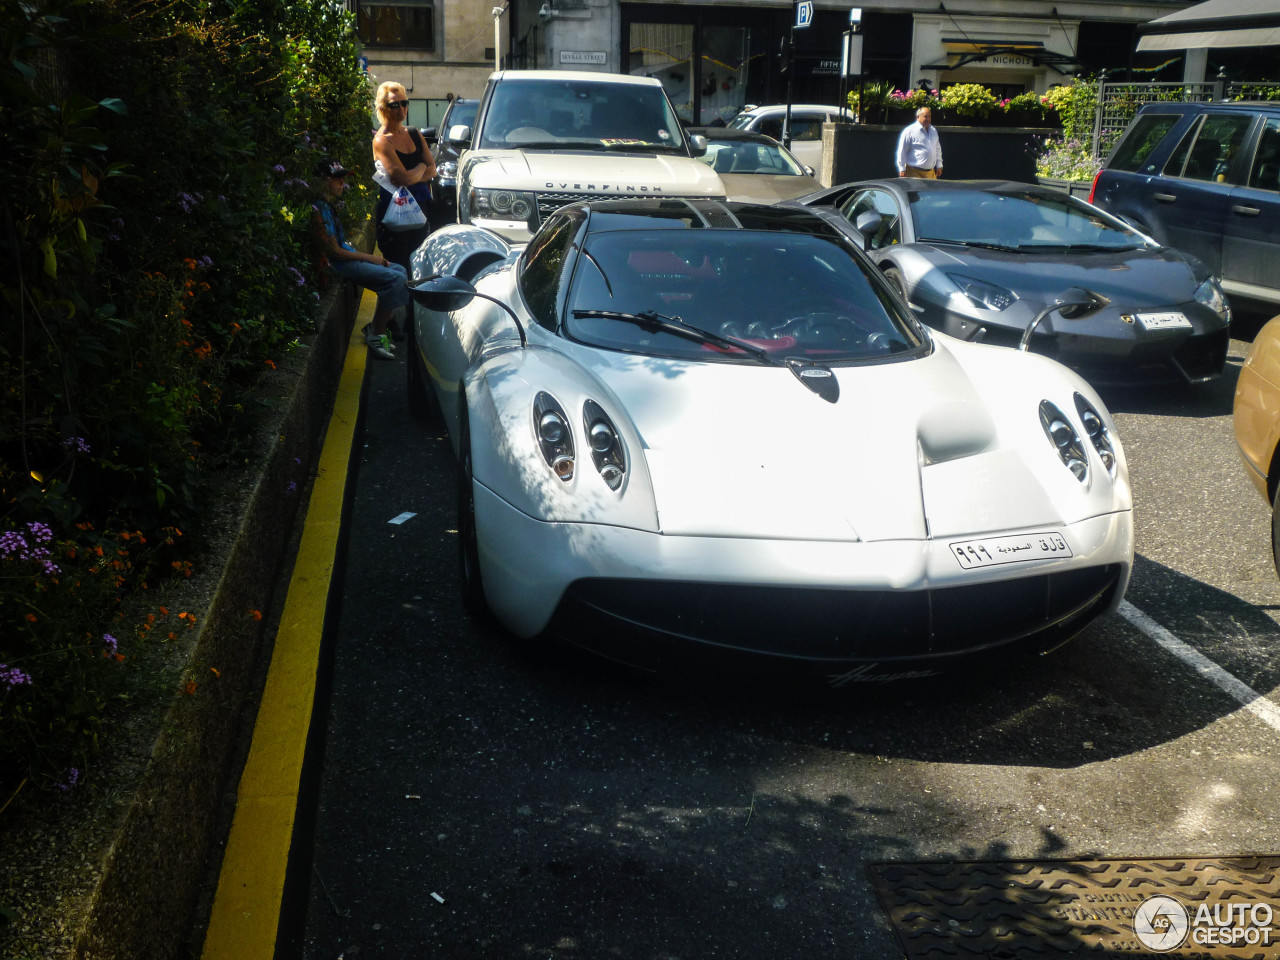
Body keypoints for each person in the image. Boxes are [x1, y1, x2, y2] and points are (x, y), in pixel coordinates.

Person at [313, 159, 407, 361]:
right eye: (337, 180)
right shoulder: (319, 209)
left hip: (345, 258)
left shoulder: (328, 206)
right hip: (338, 265)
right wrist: (371, 258)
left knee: (400, 270)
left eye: (342, 180)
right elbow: (335, 252)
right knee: (395, 279)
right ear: (324, 181)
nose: (342, 184)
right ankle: (377, 335)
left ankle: (376, 326)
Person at [372, 81, 436, 278]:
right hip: (394, 214)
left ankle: (415, 308)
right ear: (383, 108)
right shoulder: (382, 140)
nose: (402, 108)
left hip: (420, 209)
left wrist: (419, 171)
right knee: (399, 270)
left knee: (419, 265)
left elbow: (433, 170)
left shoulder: (414, 133)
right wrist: (422, 167)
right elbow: (403, 179)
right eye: (394, 104)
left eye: (404, 103)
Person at [896, 107, 943, 179]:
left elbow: (937, 149)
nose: (928, 119)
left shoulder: (933, 130)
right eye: (925, 117)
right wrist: (902, 168)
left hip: (931, 173)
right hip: (914, 172)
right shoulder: (909, 131)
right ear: (918, 117)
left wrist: (939, 165)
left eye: (929, 117)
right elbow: (902, 151)